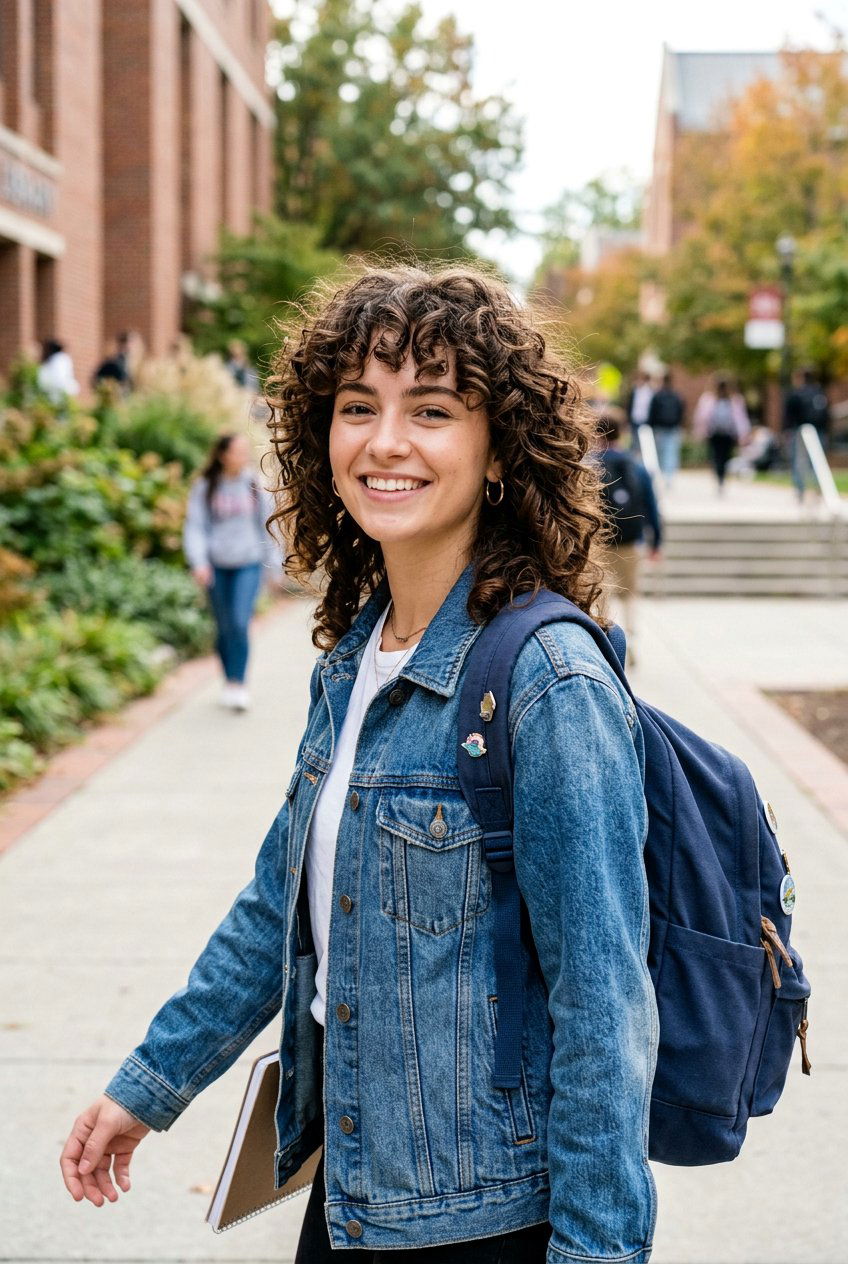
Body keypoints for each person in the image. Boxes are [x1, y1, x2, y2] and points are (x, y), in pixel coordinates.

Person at [60, 266, 658, 1263]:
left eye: (432, 410)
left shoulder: (546, 680)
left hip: (484, 1219)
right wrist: (151, 1085)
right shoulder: (357, 656)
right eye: (357, 407)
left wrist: (597, 1253)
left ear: (498, 448)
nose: (385, 441)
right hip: (351, 1188)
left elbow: (603, 1014)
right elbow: (278, 907)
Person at [182, 433, 279, 710]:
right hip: (216, 566)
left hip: (248, 563)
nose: (243, 457)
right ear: (223, 455)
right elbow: (195, 526)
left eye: (245, 451)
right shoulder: (206, 486)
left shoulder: (253, 484)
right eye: (238, 452)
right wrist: (199, 562)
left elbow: (268, 525)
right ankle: (229, 679)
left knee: (239, 622)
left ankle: (238, 683)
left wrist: (274, 564)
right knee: (223, 627)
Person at [595, 408, 662, 657]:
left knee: (601, 595)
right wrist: (656, 542)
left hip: (598, 542)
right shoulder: (636, 466)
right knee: (630, 594)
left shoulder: (589, 465)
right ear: (622, 432)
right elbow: (651, 507)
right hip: (632, 541)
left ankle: (605, 643)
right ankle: (630, 638)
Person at [692, 376, 751, 494]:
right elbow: (701, 417)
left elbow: (741, 419)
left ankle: (721, 478)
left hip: (728, 434)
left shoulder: (734, 401)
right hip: (714, 434)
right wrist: (700, 431)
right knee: (716, 457)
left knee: (724, 458)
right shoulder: (709, 400)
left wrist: (743, 434)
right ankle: (719, 477)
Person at [782, 367, 831, 503]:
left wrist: (785, 430)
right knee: (818, 461)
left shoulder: (796, 394)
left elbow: (788, 415)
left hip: (800, 430)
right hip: (819, 430)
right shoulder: (819, 392)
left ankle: (800, 491)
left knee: (798, 461)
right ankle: (818, 490)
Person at [646, 371, 684, 488]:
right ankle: (669, 477)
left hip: (659, 428)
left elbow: (651, 412)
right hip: (673, 428)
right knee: (671, 453)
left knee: (661, 453)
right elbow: (681, 412)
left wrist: (650, 426)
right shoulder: (676, 396)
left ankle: (663, 475)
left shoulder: (657, 396)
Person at [36, 338, 80, 406]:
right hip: (54, 392)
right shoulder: (58, 359)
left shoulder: (59, 359)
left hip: (57, 392)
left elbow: (59, 378)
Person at [625, 368, 654, 459]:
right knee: (634, 441)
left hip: (645, 420)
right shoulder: (635, 391)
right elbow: (630, 405)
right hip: (635, 419)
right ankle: (633, 459)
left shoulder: (649, 391)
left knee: (644, 442)